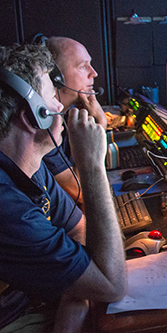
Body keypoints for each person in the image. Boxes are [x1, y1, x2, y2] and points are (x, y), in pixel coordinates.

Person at [0, 42, 167, 333]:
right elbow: (111, 284)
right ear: (34, 116)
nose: (60, 106)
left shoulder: (24, 164)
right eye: (53, 97)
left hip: (30, 302)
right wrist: (91, 164)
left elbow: (78, 227)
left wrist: (73, 296)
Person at [42, 36, 107, 207]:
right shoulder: (44, 128)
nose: (94, 73)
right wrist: (100, 124)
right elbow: (83, 191)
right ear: (56, 77)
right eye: (82, 66)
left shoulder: (68, 113)